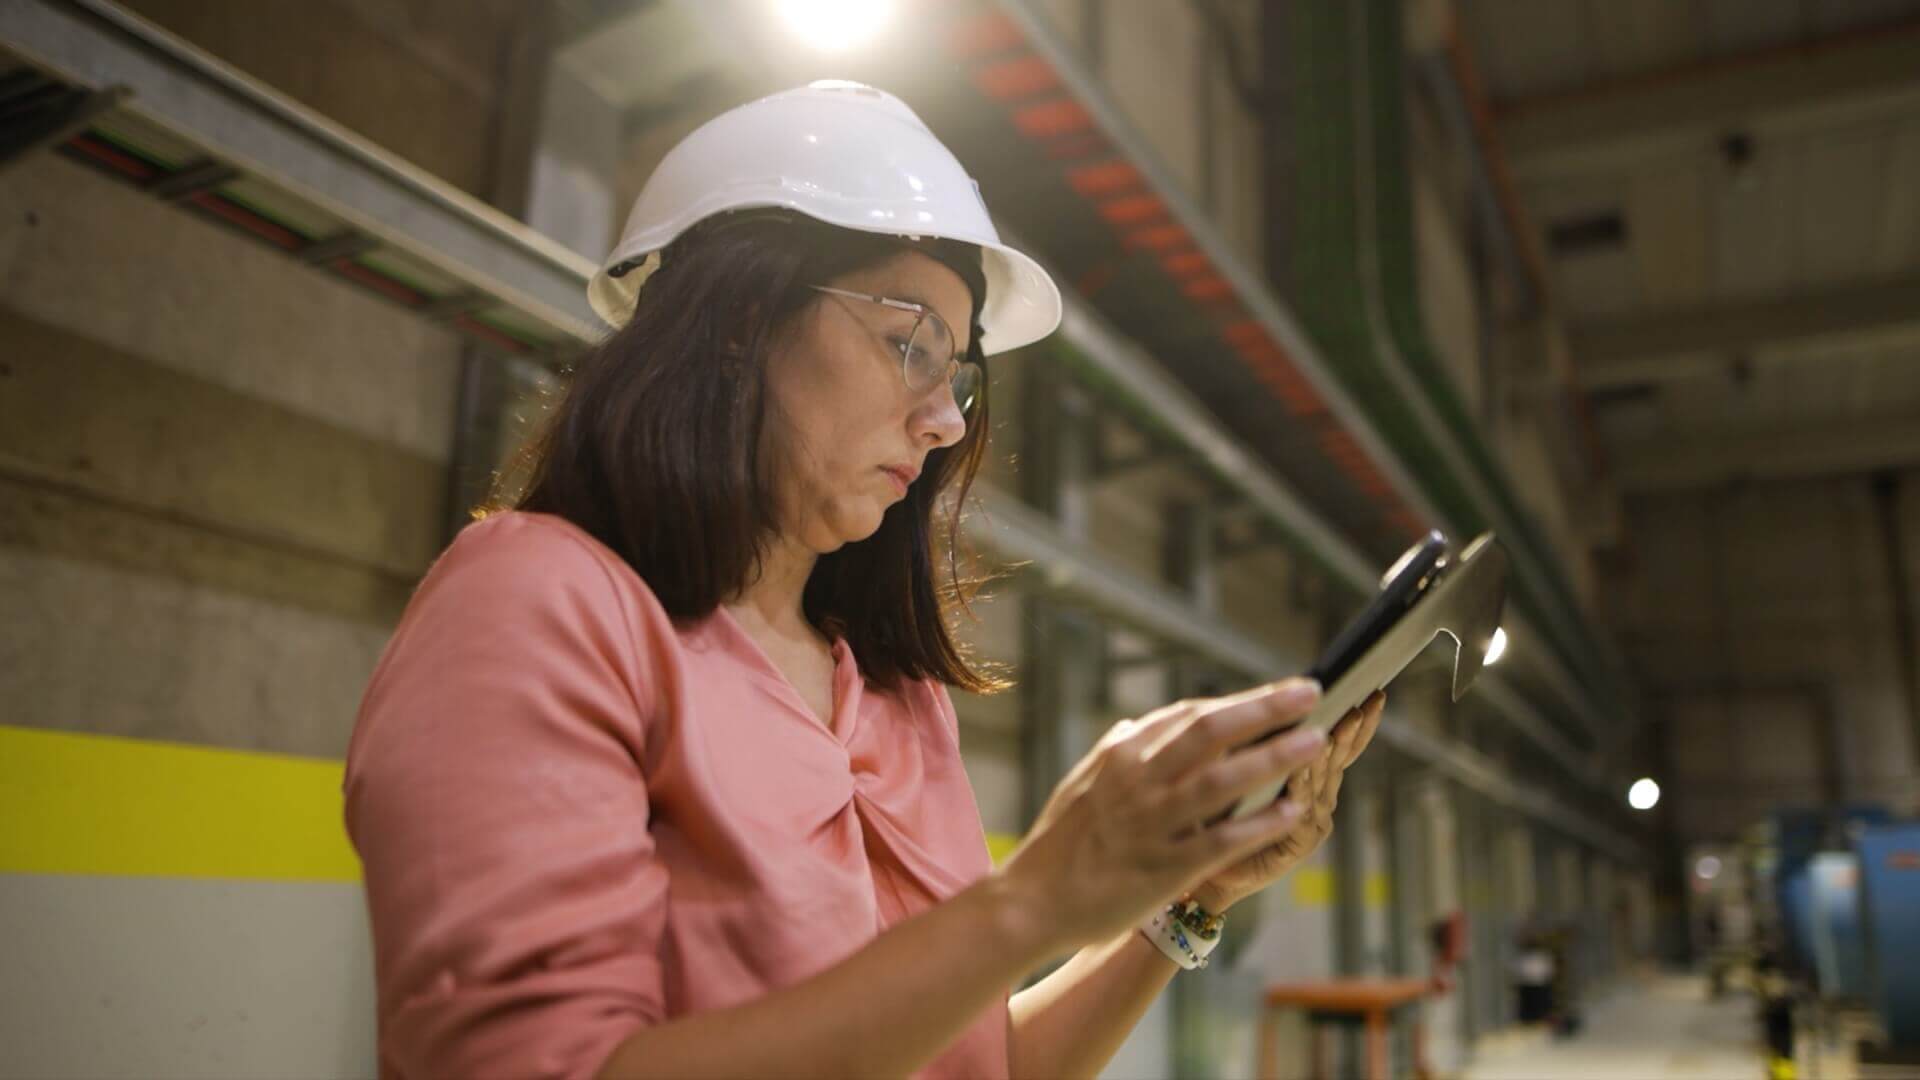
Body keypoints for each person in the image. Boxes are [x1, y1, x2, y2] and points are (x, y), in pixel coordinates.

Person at [343, 81, 1384, 1080]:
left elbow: (971, 1064)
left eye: (960, 376)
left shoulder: (894, 697)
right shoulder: (540, 604)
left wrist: (1185, 902)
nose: (944, 422)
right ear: (743, 318)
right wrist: (1027, 906)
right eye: (908, 343)